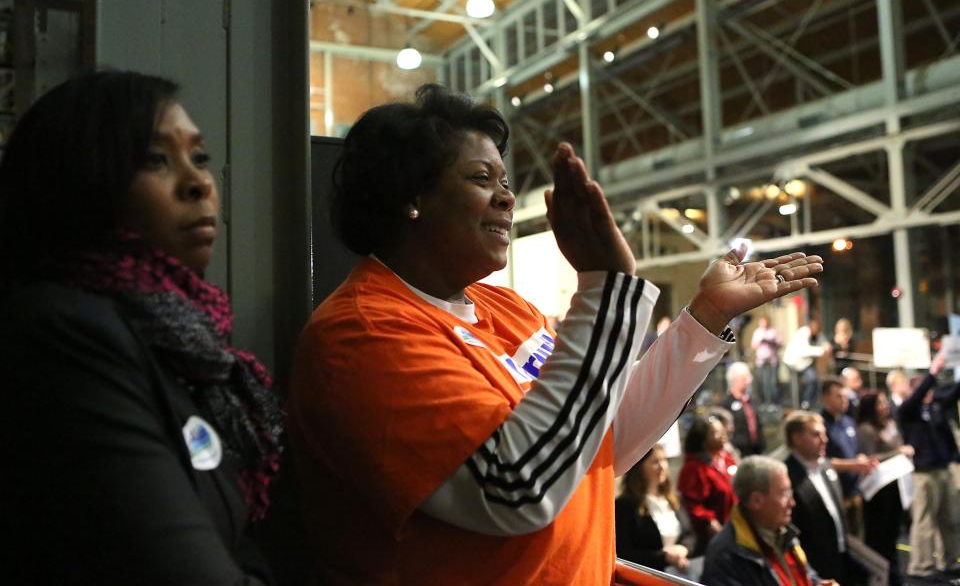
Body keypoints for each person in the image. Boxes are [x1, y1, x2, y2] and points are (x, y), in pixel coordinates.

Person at [286, 85, 825, 585]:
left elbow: (599, 439)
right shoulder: (364, 333)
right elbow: (518, 489)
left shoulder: (506, 309)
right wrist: (605, 290)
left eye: (504, 182)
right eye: (480, 179)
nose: (506, 199)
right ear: (411, 198)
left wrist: (704, 318)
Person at [0, 71, 281, 583]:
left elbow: (241, 545)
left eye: (199, 157)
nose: (199, 183)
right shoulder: (60, 335)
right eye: (155, 160)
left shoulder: (183, 343)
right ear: (81, 182)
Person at [700, 456, 833, 586]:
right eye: (784, 493)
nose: (792, 502)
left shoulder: (783, 531)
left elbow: (805, 576)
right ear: (756, 501)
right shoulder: (725, 557)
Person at [898, 353, 960, 578]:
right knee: (924, 522)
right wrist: (932, 373)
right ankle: (921, 565)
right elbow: (916, 399)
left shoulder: (936, 408)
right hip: (923, 474)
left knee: (950, 519)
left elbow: (952, 394)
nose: (930, 394)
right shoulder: (908, 412)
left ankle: (950, 560)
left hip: (943, 470)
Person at [783, 411, 860, 584]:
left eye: (824, 433)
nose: (825, 439)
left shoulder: (825, 466)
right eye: (816, 434)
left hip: (841, 557)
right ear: (796, 438)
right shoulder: (786, 476)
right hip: (814, 567)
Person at [856, 391, 913, 586]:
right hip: (878, 490)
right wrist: (898, 452)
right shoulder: (866, 429)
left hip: (896, 485)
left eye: (884, 402)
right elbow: (870, 457)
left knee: (893, 536)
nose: (884, 406)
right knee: (880, 538)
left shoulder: (890, 423)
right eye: (879, 403)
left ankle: (895, 576)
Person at [615, 444, 697, 575]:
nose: (662, 467)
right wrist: (664, 557)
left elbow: (690, 534)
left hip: (679, 575)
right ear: (639, 467)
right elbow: (625, 554)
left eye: (664, 460)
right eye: (655, 462)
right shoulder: (624, 505)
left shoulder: (674, 499)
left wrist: (683, 549)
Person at [678, 416, 739, 554]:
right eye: (716, 433)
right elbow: (692, 506)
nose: (723, 436)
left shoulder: (727, 459)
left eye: (723, 431)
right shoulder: (693, 469)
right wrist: (709, 522)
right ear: (703, 439)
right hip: (713, 540)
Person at [720, 361, 766, 456]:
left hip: (756, 450)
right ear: (735, 379)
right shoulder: (726, 404)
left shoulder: (753, 400)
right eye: (745, 378)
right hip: (737, 452)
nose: (749, 381)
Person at [783, 318, 830, 410]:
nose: (817, 330)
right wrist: (821, 351)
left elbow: (824, 343)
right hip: (793, 363)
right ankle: (797, 406)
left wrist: (827, 348)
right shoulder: (803, 333)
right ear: (810, 326)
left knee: (814, 380)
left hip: (805, 364)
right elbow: (803, 351)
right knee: (796, 387)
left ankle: (807, 403)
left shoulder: (817, 335)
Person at [751, 316, 783, 405]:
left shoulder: (774, 331)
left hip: (773, 360)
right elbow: (753, 346)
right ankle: (765, 403)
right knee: (764, 382)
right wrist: (761, 342)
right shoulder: (757, 332)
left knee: (773, 382)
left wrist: (771, 342)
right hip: (761, 361)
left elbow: (780, 344)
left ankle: (775, 402)